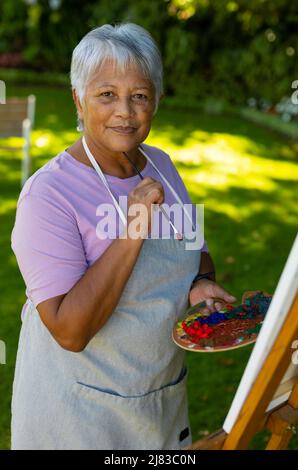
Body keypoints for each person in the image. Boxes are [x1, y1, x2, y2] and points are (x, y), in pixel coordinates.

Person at [10, 23, 236, 450]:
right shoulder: (48, 195)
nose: (125, 113)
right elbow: (69, 331)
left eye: (139, 96)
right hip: (78, 413)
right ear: (78, 99)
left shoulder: (163, 167)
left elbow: (196, 253)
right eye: (107, 94)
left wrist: (199, 283)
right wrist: (133, 229)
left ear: (157, 101)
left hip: (157, 400)